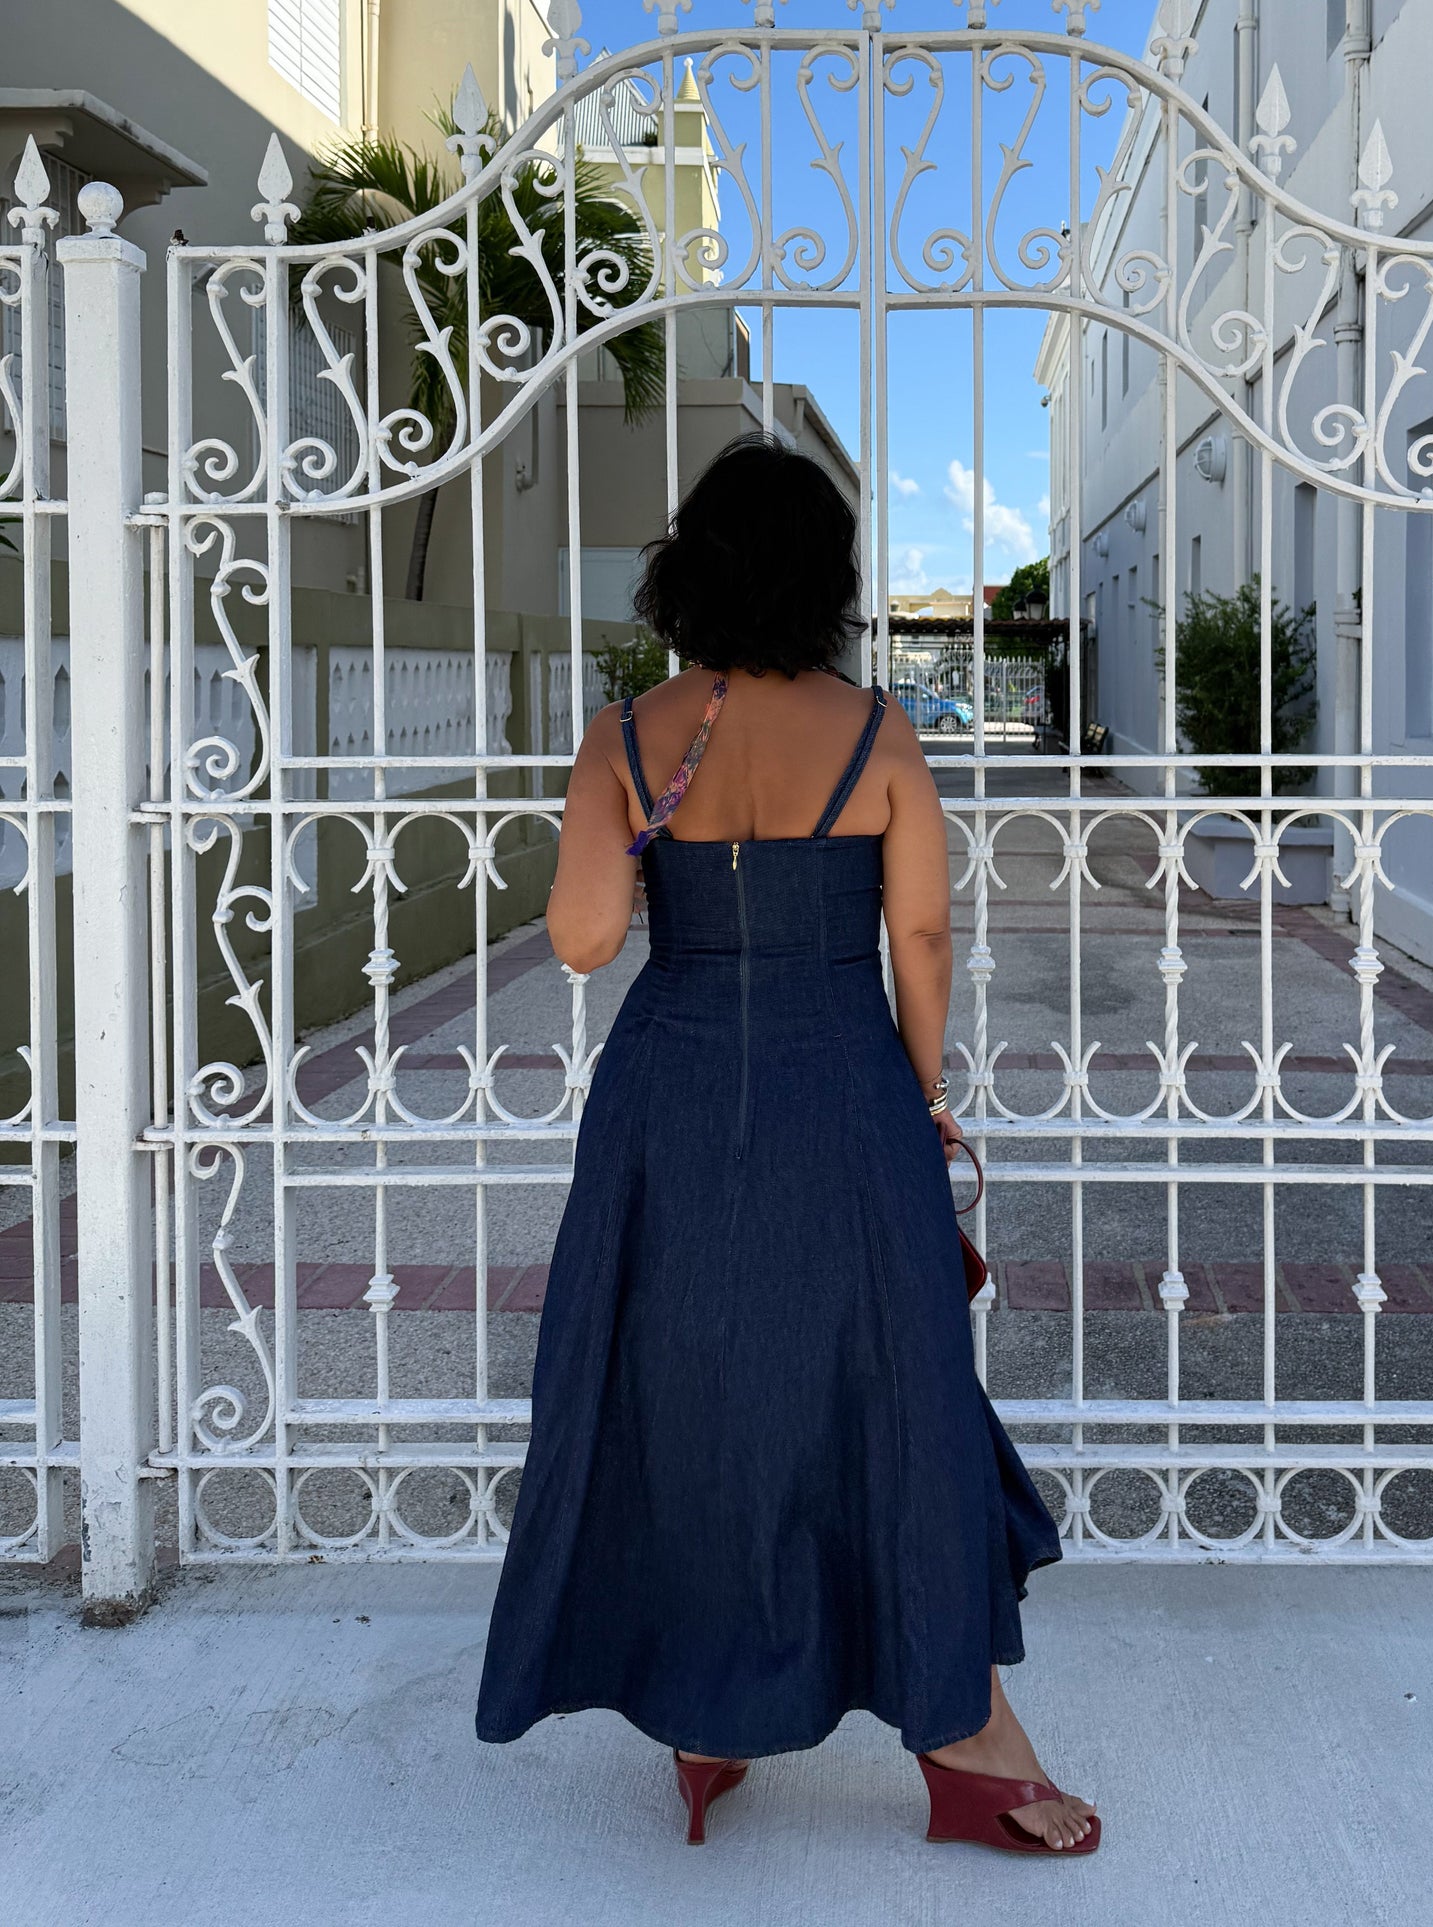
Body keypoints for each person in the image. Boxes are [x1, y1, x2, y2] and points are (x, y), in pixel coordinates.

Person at [473, 433, 1099, 1858]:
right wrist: (921, 1087)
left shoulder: (627, 733)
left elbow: (579, 941)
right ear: (826, 580)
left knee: (682, 1386)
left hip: (670, 1093)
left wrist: (634, 814)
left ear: (686, 572)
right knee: (891, 1394)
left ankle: (705, 1720)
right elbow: (922, 935)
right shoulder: (879, 734)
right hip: (842, 1086)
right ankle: (964, 1735)